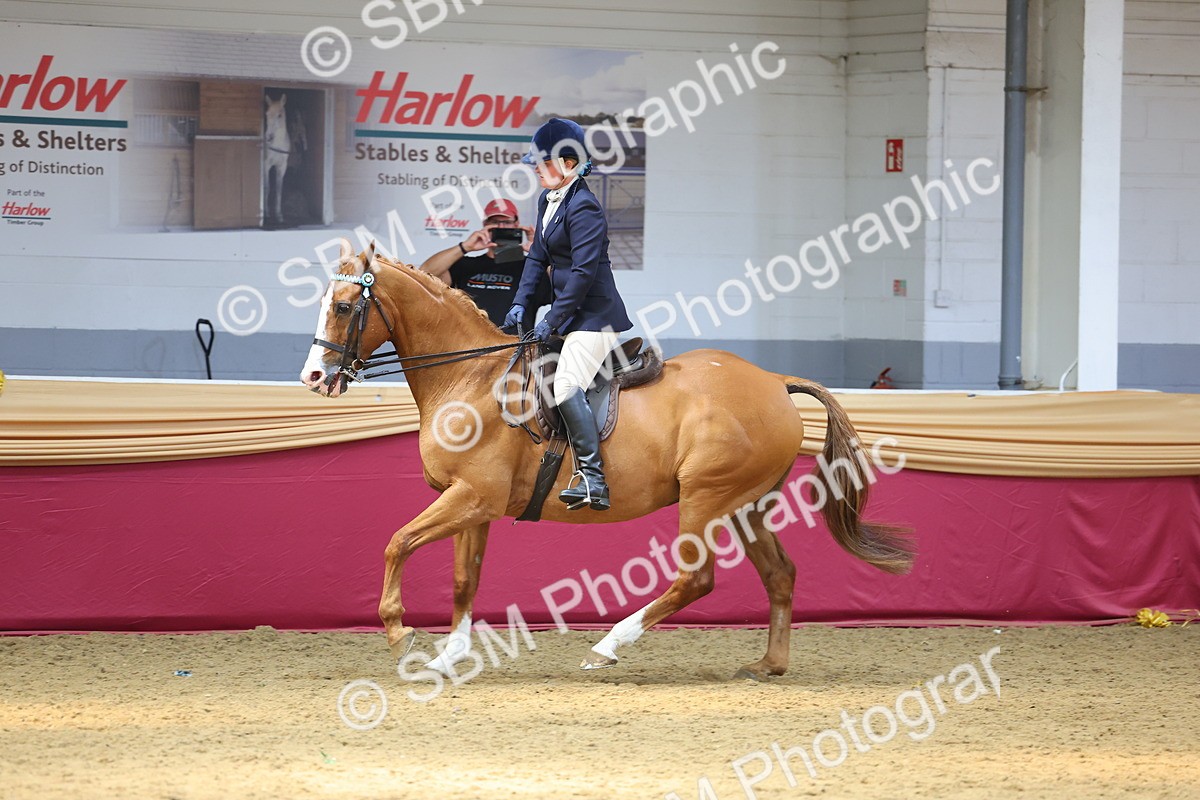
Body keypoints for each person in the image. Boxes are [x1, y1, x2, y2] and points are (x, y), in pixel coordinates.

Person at [502, 118, 633, 512]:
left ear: (570, 164)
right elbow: (537, 257)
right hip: (569, 315)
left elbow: (582, 275)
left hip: (594, 317)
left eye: (542, 163)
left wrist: (552, 320)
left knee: (564, 387)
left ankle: (593, 479)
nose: (535, 169)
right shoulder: (547, 201)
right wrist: (521, 302)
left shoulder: (585, 207)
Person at [419, 198, 545, 329]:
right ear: (486, 224)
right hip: (469, 347)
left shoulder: (531, 267)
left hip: (514, 348)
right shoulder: (465, 265)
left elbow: (563, 287)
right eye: (495, 222)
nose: (501, 227)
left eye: (506, 222)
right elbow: (424, 274)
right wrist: (465, 247)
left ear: (516, 224)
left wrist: (539, 254)